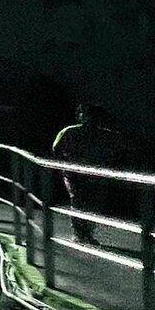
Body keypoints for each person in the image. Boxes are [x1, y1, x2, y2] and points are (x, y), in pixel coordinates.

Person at [52, 105, 97, 245]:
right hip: (73, 172)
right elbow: (56, 147)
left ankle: (87, 233)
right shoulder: (69, 131)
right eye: (83, 113)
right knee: (77, 199)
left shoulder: (95, 132)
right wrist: (65, 162)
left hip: (91, 172)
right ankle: (78, 233)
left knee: (91, 202)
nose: (86, 117)